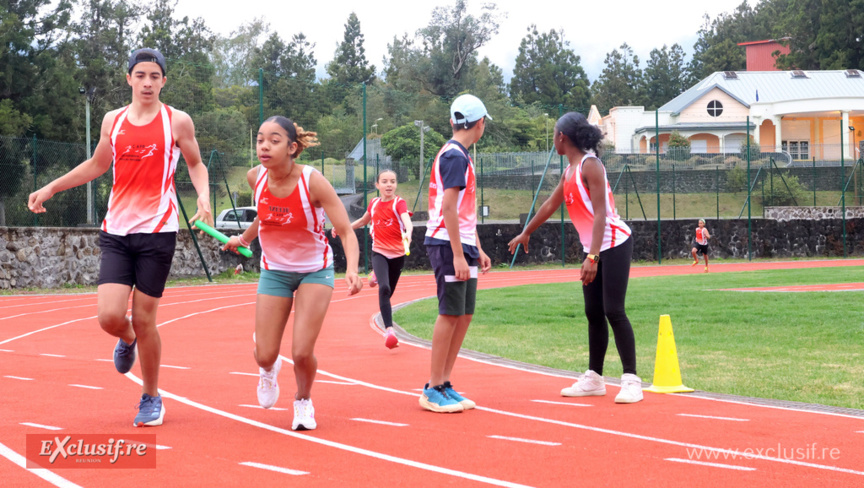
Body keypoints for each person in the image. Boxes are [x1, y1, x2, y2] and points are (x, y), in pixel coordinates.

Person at [28, 48, 213, 426]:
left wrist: (205, 197)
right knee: (110, 316)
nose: (147, 82)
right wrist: (51, 187)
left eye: (155, 76)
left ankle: (150, 396)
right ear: (128, 78)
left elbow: (195, 163)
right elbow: (98, 164)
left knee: (147, 320)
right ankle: (126, 338)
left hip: (158, 233)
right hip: (116, 231)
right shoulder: (113, 120)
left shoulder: (177, 122)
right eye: (140, 75)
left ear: (164, 80)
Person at [223, 116, 362, 431]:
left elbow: (345, 231)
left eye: (274, 140)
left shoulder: (313, 182)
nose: (264, 146)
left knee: (301, 351)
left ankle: (303, 400)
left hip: (315, 270)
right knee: (265, 354)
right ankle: (268, 368)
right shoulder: (254, 177)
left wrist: (352, 269)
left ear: (292, 147)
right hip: (274, 271)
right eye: (260, 139)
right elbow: (265, 214)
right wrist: (243, 239)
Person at [508, 112, 643, 404]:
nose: (553, 139)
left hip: (615, 243)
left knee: (613, 310)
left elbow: (601, 215)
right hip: (594, 248)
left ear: (562, 138)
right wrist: (526, 232)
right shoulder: (569, 171)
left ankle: (631, 380)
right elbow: (550, 204)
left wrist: (593, 256)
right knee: (593, 313)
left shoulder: (590, 165)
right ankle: (594, 378)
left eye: (554, 134)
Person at [420, 94, 492, 413]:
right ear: (480, 125)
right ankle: (433, 386)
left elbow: (462, 210)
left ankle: (445, 382)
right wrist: (459, 255)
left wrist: (476, 247)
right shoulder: (454, 156)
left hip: (462, 243)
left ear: (453, 121)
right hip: (448, 244)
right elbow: (448, 208)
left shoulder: (459, 154)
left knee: (464, 314)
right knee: (450, 313)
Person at [332, 170, 412, 349]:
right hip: (380, 252)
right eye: (384, 181)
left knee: (388, 293)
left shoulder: (399, 203)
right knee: (384, 289)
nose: (389, 185)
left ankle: (374, 275)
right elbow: (362, 221)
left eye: (392, 181)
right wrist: (342, 228)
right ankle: (389, 331)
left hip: (398, 255)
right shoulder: (374, 204)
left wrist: (409, 232)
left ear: (396, 184)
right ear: (377, 185)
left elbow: (407, 221)